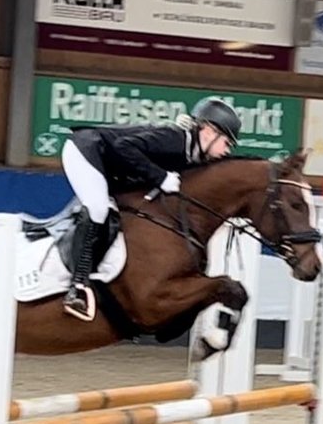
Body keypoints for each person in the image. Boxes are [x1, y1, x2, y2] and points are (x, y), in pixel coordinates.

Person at [59, 97, 242, 321]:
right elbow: (122, 146)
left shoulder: (191, 155)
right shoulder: (175, 139)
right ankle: (77, 286)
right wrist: (160, 176)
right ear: (208, 131)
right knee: (98, 209)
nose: (227, 150)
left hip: (110, 165)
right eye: (226, 141)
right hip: (85, 150)